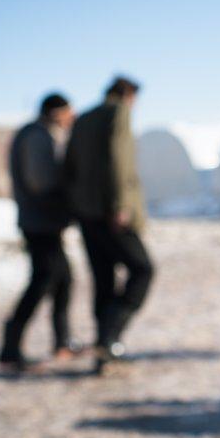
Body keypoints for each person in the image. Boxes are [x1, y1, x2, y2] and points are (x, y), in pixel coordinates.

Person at [65, 76, 154, 371]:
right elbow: (119, 158)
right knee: (142, 268)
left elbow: (71, 165)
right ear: (128, 94)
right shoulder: (118, 113)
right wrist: (120, 206)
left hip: (87, 213)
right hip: (113, 212)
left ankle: (103, 351)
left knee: (103, 280)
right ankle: (110, 336)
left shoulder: (83, 119)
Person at [0, 93, 77, 371]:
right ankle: (10, 347)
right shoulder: (37, 136)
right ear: (58, 113)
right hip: (39, 223)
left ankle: (63, 341)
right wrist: (67, 201)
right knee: (42, 282)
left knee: (63, 279)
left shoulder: (38, 134)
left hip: (44, 222)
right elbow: (41, 182)